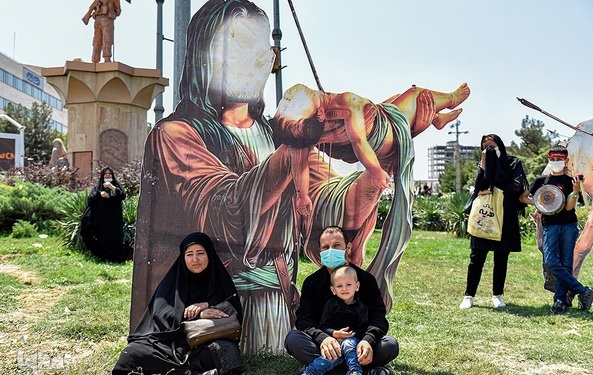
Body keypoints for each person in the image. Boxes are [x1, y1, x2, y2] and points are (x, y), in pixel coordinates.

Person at [132, 0, 469, 354]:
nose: (259, 60)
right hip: (220, 306)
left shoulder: (275, 136)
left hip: (278, 302)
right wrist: (300, 140)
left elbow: (327, 206)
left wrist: (377, 170)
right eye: (239, 44)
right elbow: (223, 210)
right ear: (204, 53)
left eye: (264, 50)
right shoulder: (176, 135)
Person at [270, 83, 468, 215]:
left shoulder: (347, 103)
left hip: (375, 128)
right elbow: (356, 142)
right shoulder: (297, 128)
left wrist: (376, 171)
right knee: (414, 94)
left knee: (398, 98)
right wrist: (302, 195)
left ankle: (438, 117)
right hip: (382, 138)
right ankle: (450, 99)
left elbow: (357, 141)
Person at [112, 232, 245, 375]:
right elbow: (161, 315)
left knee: (226, 350)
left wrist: (208, 304)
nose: (195, 259)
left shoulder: (220, 280)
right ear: (183, 257)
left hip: (203, 344)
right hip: (170, 345)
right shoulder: (173, 281)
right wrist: (196, 315)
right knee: (131, 355)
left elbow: (233, 312)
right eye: (189, 254)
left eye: (200, 253)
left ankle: (170, 373)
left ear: (209, 254)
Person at [285, 226, 398, 375]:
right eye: (325, 247)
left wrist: (367, 341)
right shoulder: (312, 283)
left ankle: (321, 370)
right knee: (293, 340)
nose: (331, 250)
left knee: (390, 345)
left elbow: (378, 318)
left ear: (348, 247)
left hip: (359, 343)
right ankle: (364, 374)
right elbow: (304, 320)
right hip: (327, 346)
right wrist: (324, 338)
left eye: (337, 245)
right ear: (320, 251)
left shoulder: (366, 280)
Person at [521, 145, 593, 314]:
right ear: (549, 160)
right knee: (550, 261)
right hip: (550, 225)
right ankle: (583, 291)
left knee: (566, 263)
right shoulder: (542, 181)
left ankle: (560, 301)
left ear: (566, 161)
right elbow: (523, 196)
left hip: (569, 225)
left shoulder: (570, 181)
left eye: (559, 159)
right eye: (553, 159)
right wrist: (541, 204)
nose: (556, 162)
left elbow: (569, 208)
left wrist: (575, 191)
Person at [459, 134, 529, 309]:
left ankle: (497, 295)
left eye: (492, 146)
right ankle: (469, 295)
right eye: (485, 147)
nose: (489, 149)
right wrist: (484, 165)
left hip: (506, 214)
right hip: (486, 215)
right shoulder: (483, 164)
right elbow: (478, 187)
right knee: (476, 257)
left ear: (500, 145)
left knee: (501, 257)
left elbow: (516, 185)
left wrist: (493, 189)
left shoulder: (513, 163)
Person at [287, 266, 369, 375]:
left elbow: (363, 328)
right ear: (333, 289)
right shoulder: (331, 305)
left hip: (354, 343)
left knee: (351, 345)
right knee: (330, 355)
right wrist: (334, 334)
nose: (344, 289)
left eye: (348, 284)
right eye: (340, 286)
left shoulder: (361, 307)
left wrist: (354, 337)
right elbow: (324, 325)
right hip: (332, 342)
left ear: (357, 286)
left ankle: (355, 374)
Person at [81, 166, 127, 262]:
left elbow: (122, 195)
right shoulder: (98, 188)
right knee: (103, 239)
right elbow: (90, 198)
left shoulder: (116, 186)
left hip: (114, 219)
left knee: (116, 238)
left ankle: (117, 259)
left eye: (109, 173)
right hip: (102, 219)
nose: (107, 175)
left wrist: (112, 187)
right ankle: (104, 257)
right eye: (105, 174)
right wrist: (100, 194)